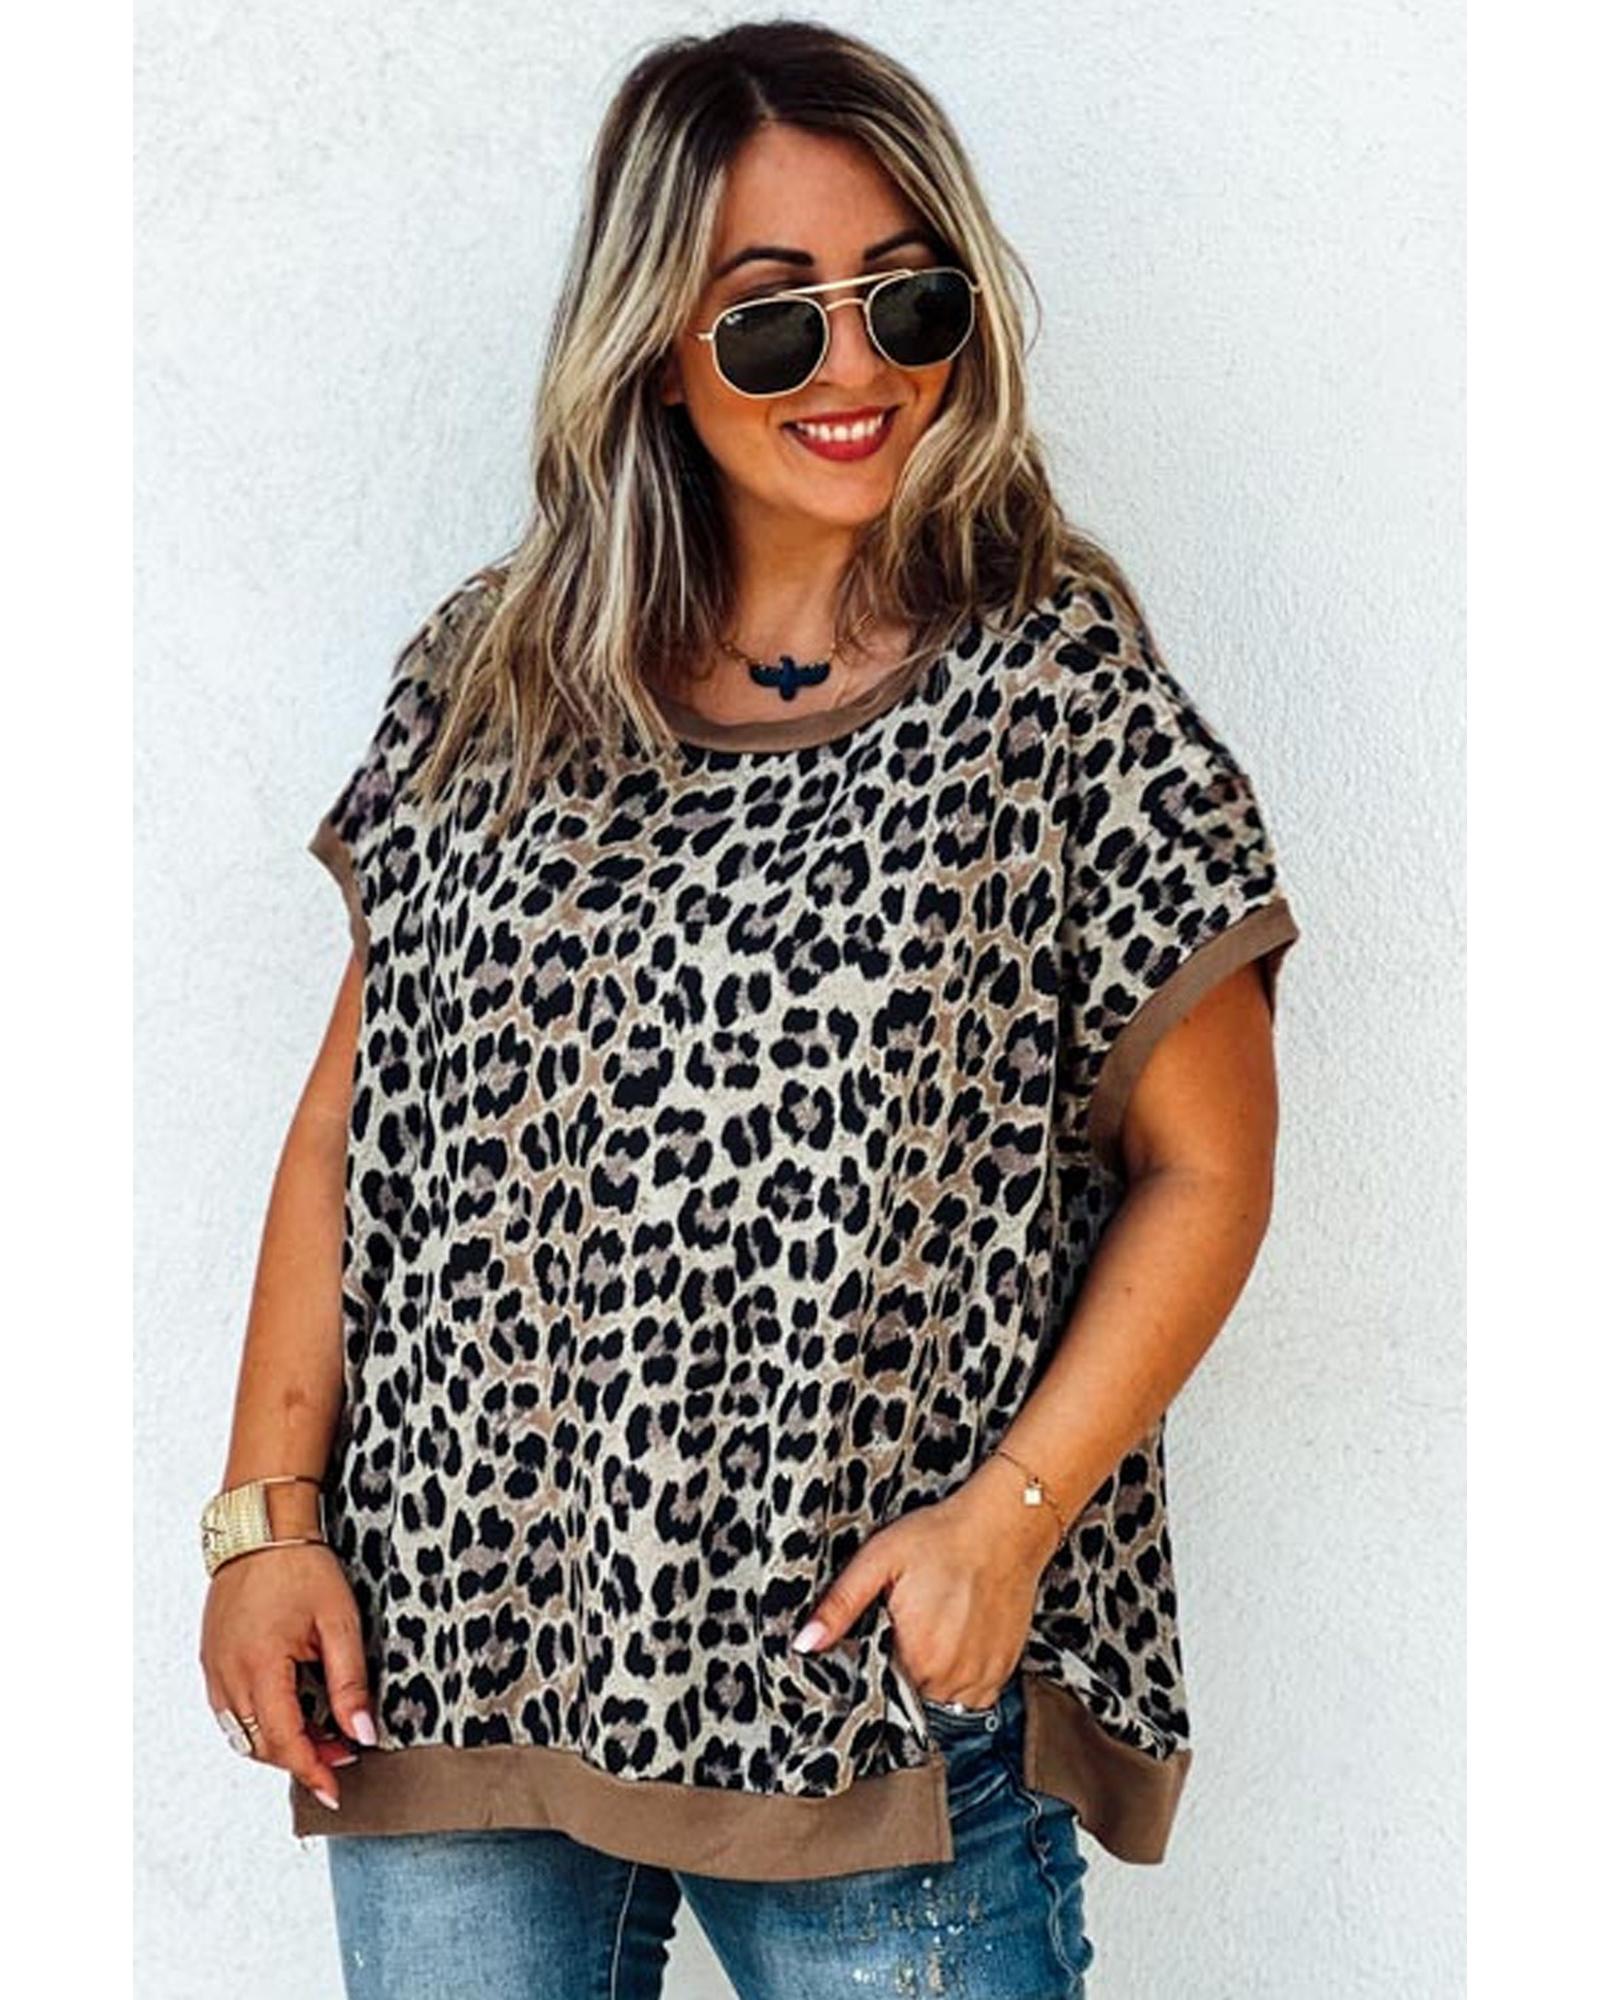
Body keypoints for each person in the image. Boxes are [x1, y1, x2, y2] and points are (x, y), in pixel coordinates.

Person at [198, 18, 1303, 1998]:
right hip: (449, 1669)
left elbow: (1206, 1164)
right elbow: (354, 1127)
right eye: (774, 318)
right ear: (650, 344)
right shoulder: (489, 681)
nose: (857, 370)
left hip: (860, 1700)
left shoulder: (1056, 699)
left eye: (908, 299)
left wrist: (1005, 1522)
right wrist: (265, 1525)